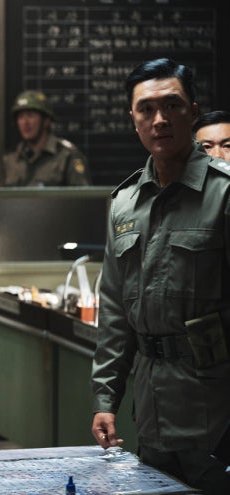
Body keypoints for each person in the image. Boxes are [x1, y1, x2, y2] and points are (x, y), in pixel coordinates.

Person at [91, 58, 230, 495]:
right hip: (152, 410)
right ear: (133, 119)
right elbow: (115, 309)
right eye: (146, 109)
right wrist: (105, 398)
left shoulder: (224, 194)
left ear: (193, 111)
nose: (160, 119)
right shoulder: (125, 203)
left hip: (216, 413)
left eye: (172, 105)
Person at [0, 90, 91, 186]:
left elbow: (82, 194)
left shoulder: (67, 156)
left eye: (30, 115)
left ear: (46, 121)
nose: (25, 122)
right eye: (20, 117)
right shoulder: (10, 159)